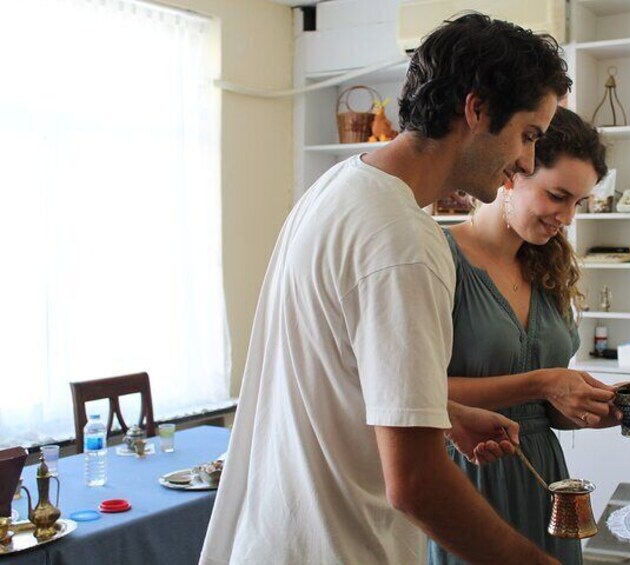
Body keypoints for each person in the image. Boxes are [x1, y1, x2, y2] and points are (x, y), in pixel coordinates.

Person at [199, 13, 572, 565]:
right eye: (528, 135)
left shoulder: (336, 189)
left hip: (275, 539)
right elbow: (416, 484)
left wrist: (440, 409)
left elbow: (336, 369)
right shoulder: (407, 242)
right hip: (340, 549)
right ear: (477, 110)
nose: (526, 162)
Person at [428, 108, 621, 565]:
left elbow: (543, 410)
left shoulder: (548, 268)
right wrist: (541, 382)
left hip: (545, 482)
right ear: (512, 172)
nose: (567, 218)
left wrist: (590, 411)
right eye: (557, 196)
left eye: (579, 203)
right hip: (464, 477)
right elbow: (411, 394)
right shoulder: (440, 256)